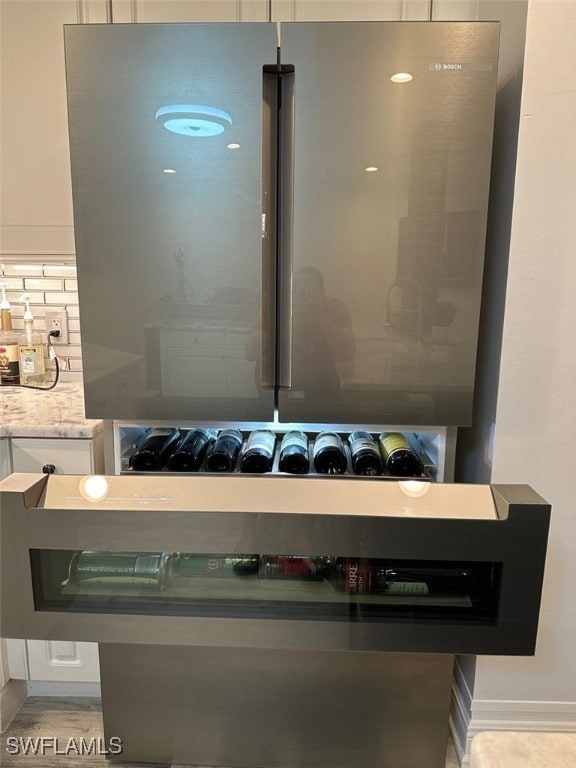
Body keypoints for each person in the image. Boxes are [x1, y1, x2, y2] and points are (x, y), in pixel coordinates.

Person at [245, 267, 355, 397]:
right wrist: (290, 320)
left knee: (327, 397)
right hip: (280, 378)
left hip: (319, 379)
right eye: (300, 290)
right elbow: (250, 352)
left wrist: (322, 316)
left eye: (312, 292)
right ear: (293, 291)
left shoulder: (333, 308)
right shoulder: (277, 307)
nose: (305, 296)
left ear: (323, 293)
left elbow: (349, 351)